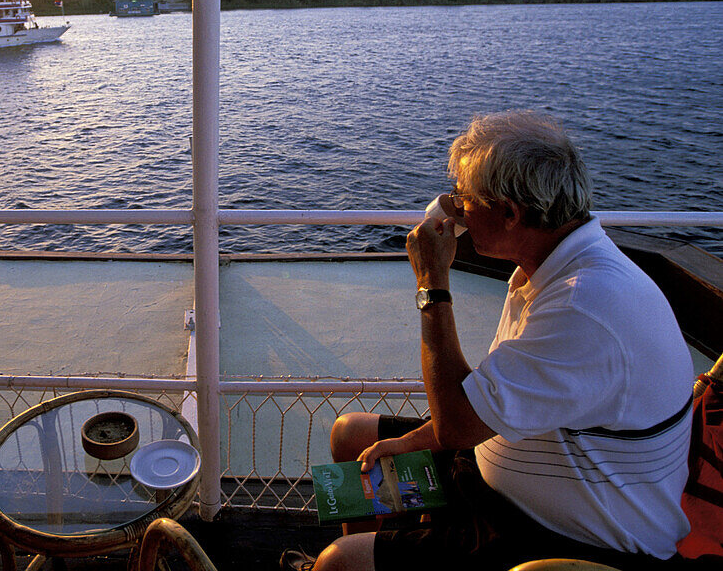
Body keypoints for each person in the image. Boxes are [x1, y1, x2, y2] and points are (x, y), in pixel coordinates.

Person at [286, 111, 695, 571]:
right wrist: (418, 440)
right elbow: (486, 413)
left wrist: (432, 285)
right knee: (351, 436)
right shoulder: (552, 270)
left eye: (462, 198)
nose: (453, 208)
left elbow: (457, 426)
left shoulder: (582, 307)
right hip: (495, 476)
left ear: (509, 213)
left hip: (562, 534)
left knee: (338, 561)